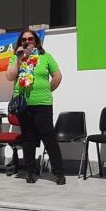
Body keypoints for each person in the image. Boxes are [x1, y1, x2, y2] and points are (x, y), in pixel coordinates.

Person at [6, 30, 65, 185]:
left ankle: (59, 173)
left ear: (36, 41)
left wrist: (47, 89)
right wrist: (18, 59)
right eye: (24, 39)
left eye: (30, 38)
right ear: (20, 42)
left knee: (48, 137)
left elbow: (57, 76)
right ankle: (30, 172)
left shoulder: (46, 57)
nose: (27, 41)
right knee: (29, 138)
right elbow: (10, 76)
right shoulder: (16, 58)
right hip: (23, 105)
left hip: (43, 103)